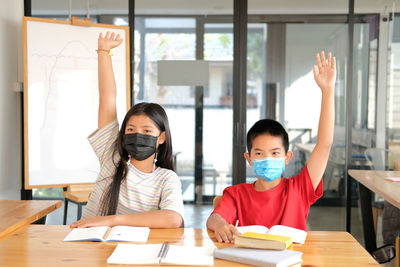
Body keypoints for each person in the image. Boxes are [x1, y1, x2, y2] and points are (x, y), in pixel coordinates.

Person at [207, 51, 336, 243]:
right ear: (249, 158)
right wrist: (220, 225)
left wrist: (327, 91)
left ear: (287, 156)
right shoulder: (236, 194)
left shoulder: (300, 188)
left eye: (275, 153)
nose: (267, 158)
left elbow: (324, 145)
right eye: (259, 153)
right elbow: (215, 218)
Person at [70, 32, 184, 228]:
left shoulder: (166, 178)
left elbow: (173, 218)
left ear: (162, 137)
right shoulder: (111, 159)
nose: (137, 135)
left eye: (147, 131)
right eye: (131, 129)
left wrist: (113, 220)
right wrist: (104, 51)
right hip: (93, 246)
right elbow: (107, 101)